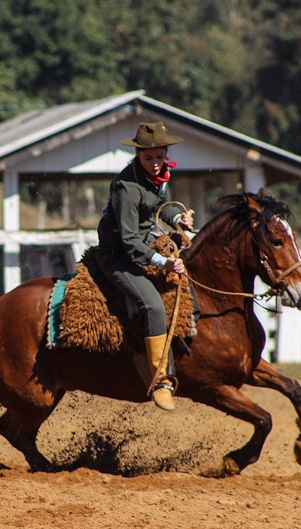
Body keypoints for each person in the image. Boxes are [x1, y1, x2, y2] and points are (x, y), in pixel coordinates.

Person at [96, 122, 194, 411]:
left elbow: (162, 205)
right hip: (118, 256)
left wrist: (178, 219)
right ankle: (160, 380)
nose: (155, 163)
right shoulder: (126, 187)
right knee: (153, 305)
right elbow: (128, 240)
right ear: (137, 154)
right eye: (148, 158)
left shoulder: (158, 175)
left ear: (166, 153)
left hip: (145, 245)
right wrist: (163, 263)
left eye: (159, 157)